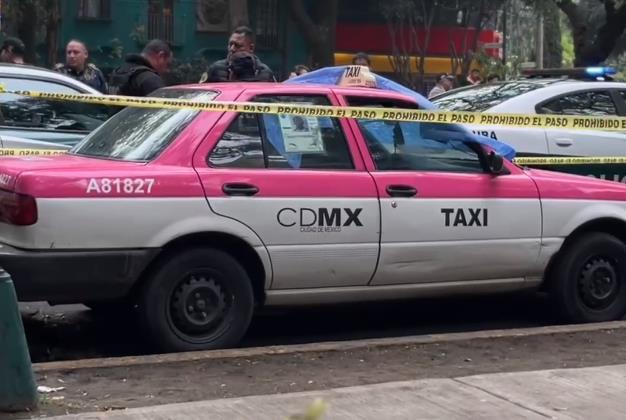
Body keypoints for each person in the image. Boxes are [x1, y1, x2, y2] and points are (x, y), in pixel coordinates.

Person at [199, 26, 274, 83]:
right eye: (230, 44)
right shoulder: (216, 69)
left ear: (251, 48)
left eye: (238, 45)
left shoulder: (264, 72)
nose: (232, 49)